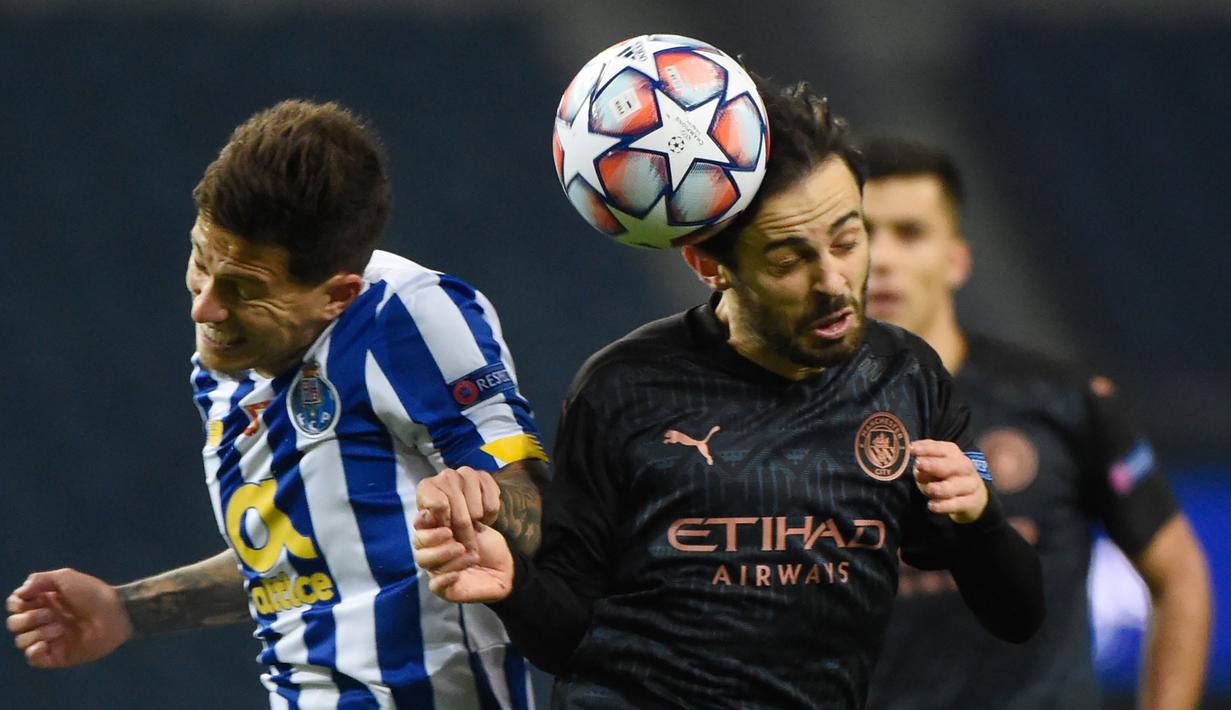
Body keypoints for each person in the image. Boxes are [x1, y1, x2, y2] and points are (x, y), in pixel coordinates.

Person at [409, 79, 1044, 709]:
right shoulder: (624, 391)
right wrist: (514, 585)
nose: (834, 282)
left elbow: (1018, 617)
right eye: (788, 260)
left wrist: (979, 518)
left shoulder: (906, 378)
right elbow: (568, 639)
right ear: (708, 265)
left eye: (849, 241)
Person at [6, 99, 549, 709]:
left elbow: (533, 501)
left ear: (336, 296)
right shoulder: (227, 360)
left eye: (242, 288)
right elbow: (307, 560)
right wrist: (127, 610)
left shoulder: (408, 317)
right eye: (200, 263)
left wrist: (486, 515)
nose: (204, 308)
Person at [858, 137, 1212, 710]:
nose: (883, 258)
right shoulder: (800, 414)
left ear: (958, 259)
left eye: (910, 232)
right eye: (862, 235)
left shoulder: (1066, 401)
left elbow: (1180, 577)